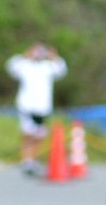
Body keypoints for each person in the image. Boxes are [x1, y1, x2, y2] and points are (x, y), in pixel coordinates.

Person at [6, 43, 67, 175]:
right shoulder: (25, 66)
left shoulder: (47, 67)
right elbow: (11, 66)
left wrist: (54, 56)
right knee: (28, 132)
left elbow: (61, 70)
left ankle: (34, 159)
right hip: (27, 106)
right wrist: (26, 55)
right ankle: (26, 160)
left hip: (42, 107)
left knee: (40, 134)